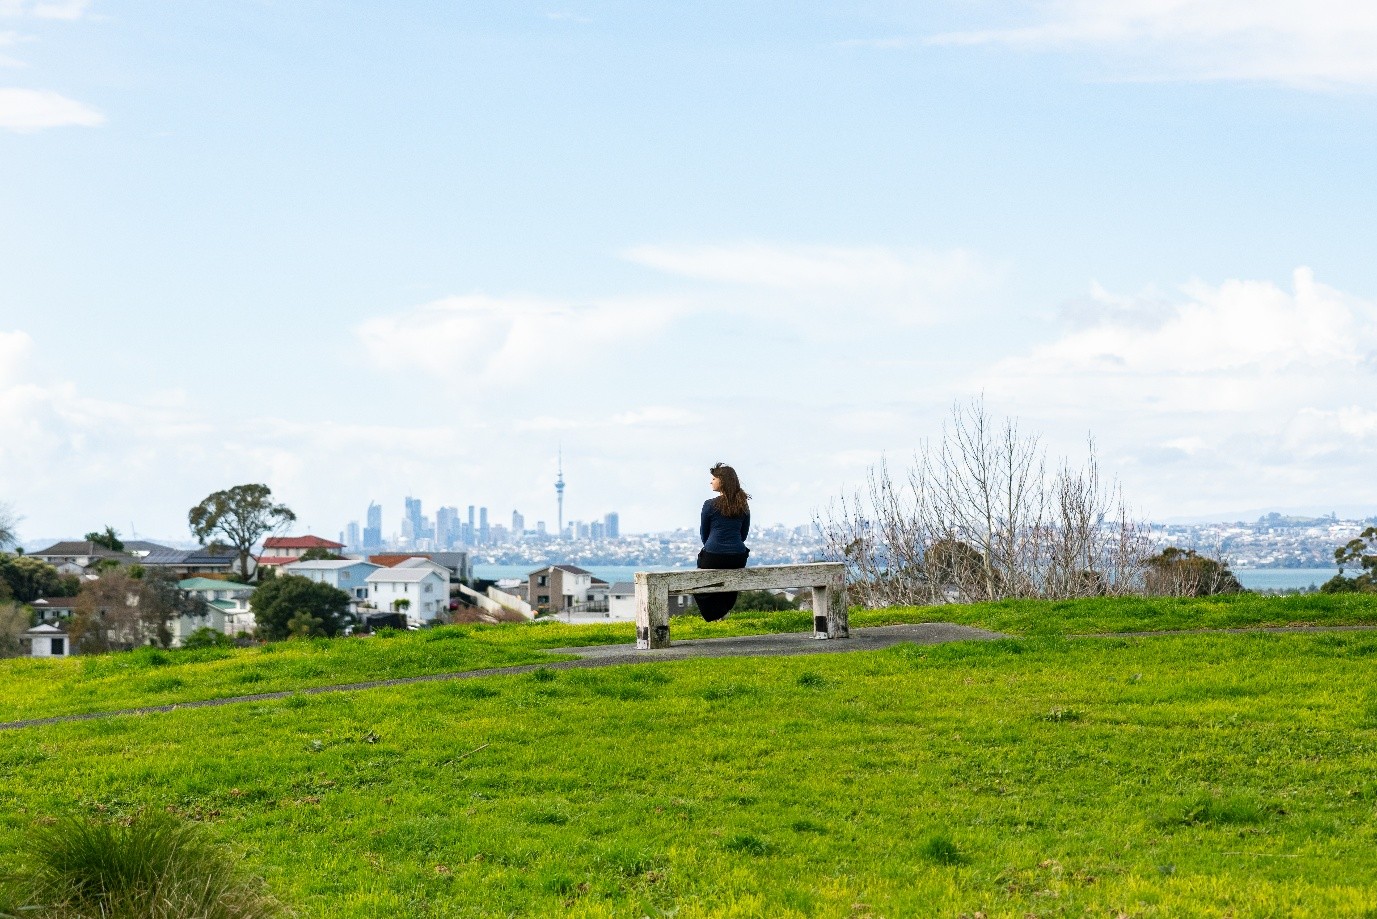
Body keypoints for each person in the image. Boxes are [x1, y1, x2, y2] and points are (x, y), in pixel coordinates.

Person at [696, 462, 750, 622]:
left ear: (723, 481)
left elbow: (704, 535)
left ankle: (715, 613)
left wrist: (714, 548)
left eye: (714, 478)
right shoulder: (743, 504)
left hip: (713, 554)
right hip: (738, 557)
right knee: (730, 580)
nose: (711, 481)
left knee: (698, 580)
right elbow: (743, 535)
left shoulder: (709, 504)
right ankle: (723, 610)